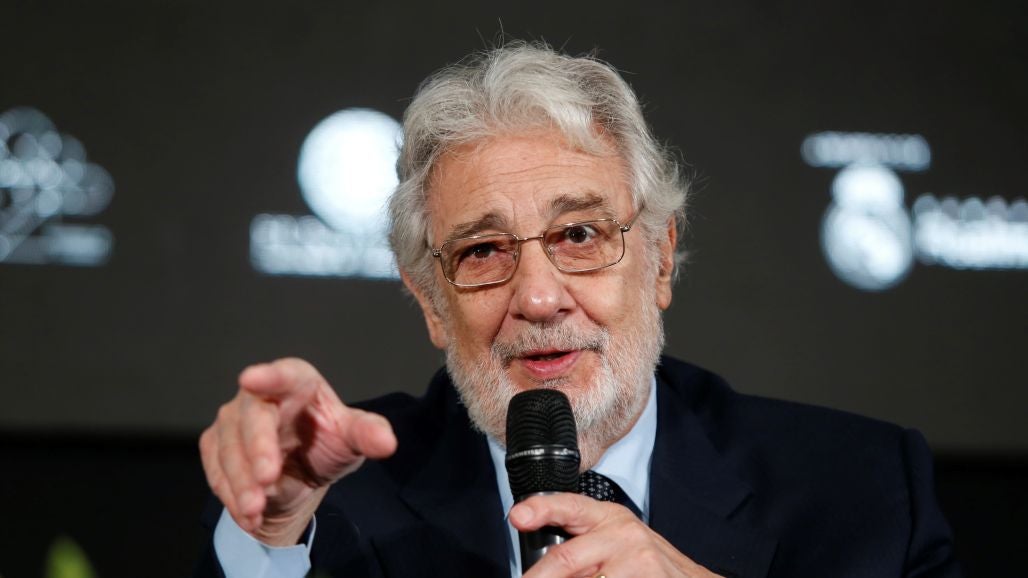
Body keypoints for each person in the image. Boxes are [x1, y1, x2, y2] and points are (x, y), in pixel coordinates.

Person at [194, 42, 960, 578]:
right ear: (430, 301)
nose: (537, 297)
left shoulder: (862, 493)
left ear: (660, 258)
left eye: (580, 235)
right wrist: (272, 532)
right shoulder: (329, 501)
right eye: (482, 251)